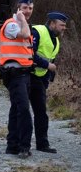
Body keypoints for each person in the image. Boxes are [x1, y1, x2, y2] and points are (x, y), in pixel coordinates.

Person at [0, 0, 55, 159]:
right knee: (23, 109)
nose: (28, 11)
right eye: (25, 8)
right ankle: (24, 147)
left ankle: (12, 145)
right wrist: (22, 20)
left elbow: (28, 51)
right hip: (14, 74)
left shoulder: (23, 25)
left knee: (16, 109)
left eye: (30, 8)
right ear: (18, 8)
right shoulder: (12, 24)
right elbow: (23, 35)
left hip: (25, 73)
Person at [29, 11, 67, 154]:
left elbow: (51, 59)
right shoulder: (38, 31)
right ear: (52, 23)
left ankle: (42, 144)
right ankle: (16, 143)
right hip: (27, 75)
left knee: (41, 113)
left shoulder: (56, 41)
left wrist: (48, 77)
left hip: (40, 79)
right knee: (20, 111)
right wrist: (47, 65)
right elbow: (29, 53)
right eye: (61, 25)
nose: (64, 28)